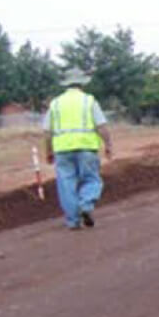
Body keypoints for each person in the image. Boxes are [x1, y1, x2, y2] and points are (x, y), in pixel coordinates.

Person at [41, 69, 114, 229]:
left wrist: (48, 151)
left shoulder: (56, 103)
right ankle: (86, 205)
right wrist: (108, 145)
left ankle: (73, 221)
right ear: (82, 83)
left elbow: (47, 132)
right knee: (92, 179)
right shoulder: (89, 101)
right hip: (86, 147)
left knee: (66, 185)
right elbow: (101, 126)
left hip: (62, 150)